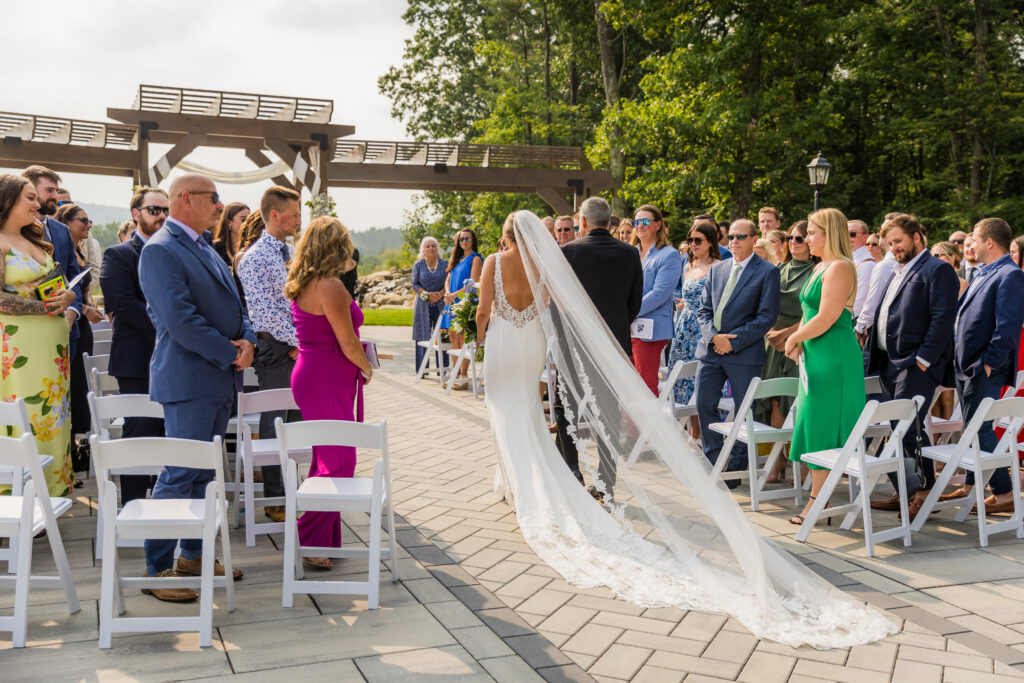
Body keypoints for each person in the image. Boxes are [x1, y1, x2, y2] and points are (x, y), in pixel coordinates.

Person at [476, 208, 894, 648]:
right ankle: (601, 481)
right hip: (605, 337)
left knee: (530, 415)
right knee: (590, 416)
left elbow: (531, 306)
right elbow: (624, 300)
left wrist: (489, 332)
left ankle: (535, 479)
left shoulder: (548, 256)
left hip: (522, 342)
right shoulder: (607, 255)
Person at [138, 173, 253, 600]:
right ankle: (157, 570)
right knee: (180, 471)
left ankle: (193, 556)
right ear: (185, 199)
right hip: (190, 378)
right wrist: (229, 351)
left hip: (219, 377)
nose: (220, 206)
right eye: (213, 198)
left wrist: (248, 341)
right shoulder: (161, 250)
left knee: (206, 474)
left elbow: (236, 305)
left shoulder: (203, 245)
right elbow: (179, 320)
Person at [284, 217, 373, 568]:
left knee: (327, 456)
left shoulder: (304, 281)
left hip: (314, 372)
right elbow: (347, 342)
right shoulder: (331, 285)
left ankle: (324, 539)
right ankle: (308, 536)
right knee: (339, 461)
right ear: (335, 246)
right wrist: (366, 367)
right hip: (325, 376)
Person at [864, 214, 959, 521]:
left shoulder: (938, 269)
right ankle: (908, 489)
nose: (893, 248)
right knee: (898, 427)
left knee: (910, 427)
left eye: (898, 241)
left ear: (917, 238)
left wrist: (923, 359)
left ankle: (926, 490)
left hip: (915, 364)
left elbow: (943, 318)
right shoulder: (896, 269)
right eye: (889, 243)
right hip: (889, 360)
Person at [556, 197, 642, 492]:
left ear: (582, 222)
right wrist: (613, 329)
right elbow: (635, 304)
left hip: (574, 343)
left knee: (566, 406)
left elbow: (558, 302)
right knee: (607, 411)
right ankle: (606, 481)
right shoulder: (630, 253)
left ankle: (572, 471)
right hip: (613, 346)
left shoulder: (569, 251)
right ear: (609, 222)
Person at [785, 208, 864, 525]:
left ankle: (817, 502)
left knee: (822, 424)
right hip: (815, 353)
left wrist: (794, 338)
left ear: (829, 234)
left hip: (834, 357)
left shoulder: (841, 267)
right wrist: (800, 340)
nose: (805, 238)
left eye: (812, 233)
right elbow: (808, 311)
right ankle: (820, 496)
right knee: (810, 422)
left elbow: (827, 316)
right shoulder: (820, 267)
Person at [0, 175, 76, 496]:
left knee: (54, 415)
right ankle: (20, 497)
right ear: (7, 200)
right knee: (26, 414)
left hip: (53, 351)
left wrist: (68, 298)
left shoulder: (35, 240)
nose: (37, 204)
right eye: (29, 198)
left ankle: (52, 492)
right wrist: (43, 308)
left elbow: (58, 283)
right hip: (20, 349)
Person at [943, 218, 1024, 515]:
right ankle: (974, 485)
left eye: (975, 239)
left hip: (983, 368)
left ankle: (1004, 492)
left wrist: (988, 364)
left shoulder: (1010, 275)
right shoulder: (982, 272)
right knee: (973, 428)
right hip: (967, 366)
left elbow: (1008, 328)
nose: (970, 244)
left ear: (989, 241)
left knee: (982, 428)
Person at [237, 186, 304, 523]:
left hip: (296, 344)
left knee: (296, 421)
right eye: (293, 213)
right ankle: (276, 499)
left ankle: (293, 487)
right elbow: (265, 315)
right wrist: (298, 341)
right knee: (275, 420)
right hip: (276, 348)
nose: (298, 219)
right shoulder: (255, 257)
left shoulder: (291, 251)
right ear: (274, 215)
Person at [696, 219, 780, 481]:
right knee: (704, 403)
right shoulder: (717, 269)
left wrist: (732, 341)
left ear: (754, 240)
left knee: (745, 412)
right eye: (730, 237)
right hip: (711, 351)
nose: (733, 241)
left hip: (743, 353)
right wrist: (714, 337)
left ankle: (734, 469)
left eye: (740, 236)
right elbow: (703, 310)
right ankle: (714, 462)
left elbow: (766, 317)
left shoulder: (767, 272)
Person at [99, 186, 168, 504]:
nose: (163, 216)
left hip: (175, 360)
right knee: (140, 435)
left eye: (166, 210)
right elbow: (122, 304)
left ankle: (165, 504)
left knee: (169, 437)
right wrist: (172, 330)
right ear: (136, 214)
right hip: (138, 359)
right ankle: (132, 506)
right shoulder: (119, 254)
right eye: (155, 209)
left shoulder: (174, 252)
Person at [760, 221, 817, 481]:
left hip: (802, 341)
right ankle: (777, 461)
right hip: (773, 342)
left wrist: (789, 335)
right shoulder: (779, 269)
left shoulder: (817, 271)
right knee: (775, 399)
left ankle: (802, 463)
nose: (793, 242)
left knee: (797, 402)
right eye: (790, 238)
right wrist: (772, 331)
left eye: (800, 238)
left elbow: (814, 313)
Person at [53, 204, 104, 465]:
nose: (88, 225)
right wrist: (83, 309)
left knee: (80, 387)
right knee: (70, 387)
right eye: (82, 220)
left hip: (83, 328)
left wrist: (87, 306)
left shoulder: (80, 251)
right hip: (71, 322)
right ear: (67, 222)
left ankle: (79, 451)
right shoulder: (56, 250)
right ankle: (69, 452)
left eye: (89, 220)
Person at [21, 166, 83, 357]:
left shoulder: (62, 230)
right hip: (26, 329)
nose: (55, 196)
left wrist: (72, 310)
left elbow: (74, 276)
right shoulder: (16, 230)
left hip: (66, 328)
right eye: (49, 190)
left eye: (56, 191)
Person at [667, 221, 720, 433]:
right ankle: (685, 432)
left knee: (699, 381)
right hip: (683, 326)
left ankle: (697, 435)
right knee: (680, 378)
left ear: (710, 242)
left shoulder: (718, 266)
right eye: (690, 240)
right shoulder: (689, 265)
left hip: (703, 328)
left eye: (698, 240)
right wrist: (683, 303)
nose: (693, 244)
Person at [630, 205, 683, 394]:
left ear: (658, 225)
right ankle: (629, 424)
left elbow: (660, 293)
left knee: (645, 384)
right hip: (626, 328)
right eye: (637, 222)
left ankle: (648, 424)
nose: (640, 226)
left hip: (650, 329)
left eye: (645, 221)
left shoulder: (669, 254)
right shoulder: (630, 252)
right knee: (627, 383)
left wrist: (630, 312)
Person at [443, 228, 483, 387]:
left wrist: (455, 294)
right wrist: (447, 293)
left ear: (473, 240)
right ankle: (455, 371)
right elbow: (448, 278)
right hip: (451, 301)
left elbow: (472, 282)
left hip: (465, 301)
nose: (464, 242)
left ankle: (463, 375)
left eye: (467, 239)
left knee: (463, 337)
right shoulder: (455, 257)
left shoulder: (476, 258)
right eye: (461, 239)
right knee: (453, 336)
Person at [854, 214, 901, 344]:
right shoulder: (896, 263)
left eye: (884, 229)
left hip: (880, 332)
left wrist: (859, 329)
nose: (879, 232)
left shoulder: (886, 266)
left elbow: (872, 304)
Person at [412, 236, 448, 371]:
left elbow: (448, 281)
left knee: (443, 335)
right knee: (422, 335)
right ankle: (422, 370)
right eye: (427, 246)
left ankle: (443, 369)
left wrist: (441, 293)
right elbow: (414, 283)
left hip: (441, 303)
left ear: (437, 248)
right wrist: (427, 295)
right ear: (423, 249)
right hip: (423, 305)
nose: (431, 248)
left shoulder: (445, 264)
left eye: (433, 246)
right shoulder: (418, 265)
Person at [849, 219, 875, 319]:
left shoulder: (866, 263)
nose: (847, 237)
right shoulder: (849, 258)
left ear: (865, 237)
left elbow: (860, 302)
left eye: (852, 234)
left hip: (850, 322)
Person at [211, 202, 250, 267]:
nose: (247, 223)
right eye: (243, 219)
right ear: (229, 222)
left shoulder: (251, 246)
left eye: (250, 219)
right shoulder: (216, 247)